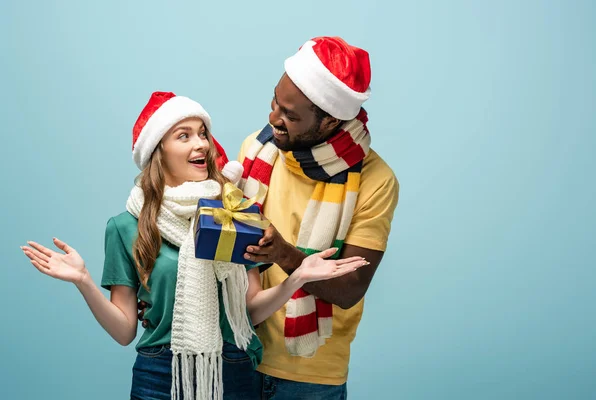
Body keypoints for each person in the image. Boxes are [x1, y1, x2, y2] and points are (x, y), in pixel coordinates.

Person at [20, 91, 369, 400]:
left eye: (202, 133)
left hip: (232, 369)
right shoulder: (125, 227)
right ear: (159, 150)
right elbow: (125, 330)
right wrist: (83, 281)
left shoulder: (233, 214)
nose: (200, 144)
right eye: (183, 136)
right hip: (158, 374)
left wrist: (298, 278)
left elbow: (250, 311)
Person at [238, 36, 400, 399]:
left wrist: (284, 255)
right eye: (274, 103)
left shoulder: (376, 181)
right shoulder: (257, 150)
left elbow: (350, 289)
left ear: (329, 121)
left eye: (290, 116)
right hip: (236, 354)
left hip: (309, 379)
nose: (273, 119)